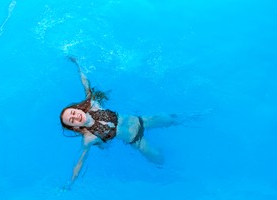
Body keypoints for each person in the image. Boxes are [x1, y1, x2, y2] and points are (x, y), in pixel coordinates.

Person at [60, 57, 193, 189]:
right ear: (75, 126)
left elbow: (85, 82)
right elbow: (80, 161)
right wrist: (70, 183)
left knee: (169, 119)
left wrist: (77, 64)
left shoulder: (92, 104)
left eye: (72, 113)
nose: (75, 117)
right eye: (71, 121)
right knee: (158, 159)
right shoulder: (88, 138)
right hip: (136, 140)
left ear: (77, 109)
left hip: (142, 121)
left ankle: (194, 116)